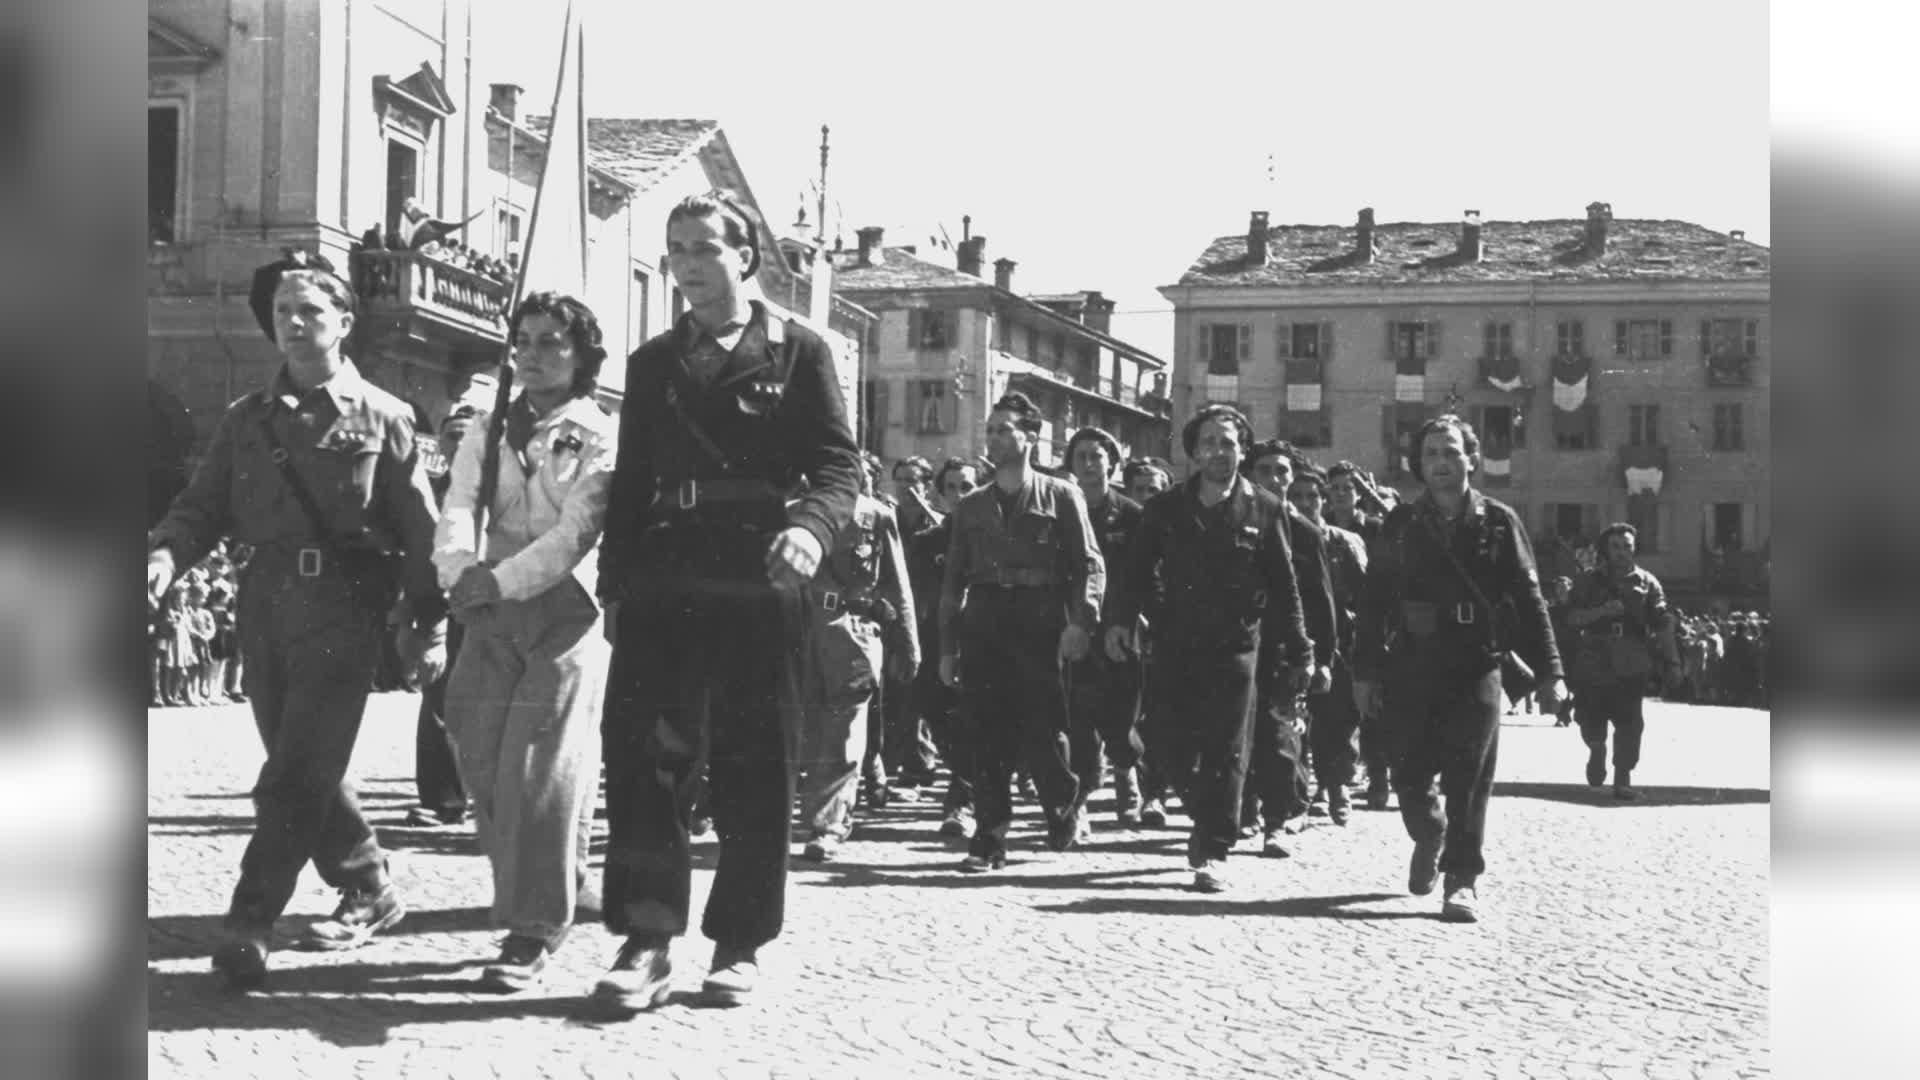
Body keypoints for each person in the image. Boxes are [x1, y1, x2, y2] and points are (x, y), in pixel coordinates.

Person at [147, 251, 448, 989]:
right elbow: (201, 508)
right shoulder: (246, 419)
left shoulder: (386, 415)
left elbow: (421, 531)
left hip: (346, 611)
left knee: (294, 773)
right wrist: (162, 556)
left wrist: (428, 620)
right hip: (264, 608)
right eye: (283, 310)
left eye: (310, 310)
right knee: (304, 764)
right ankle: (369, 883)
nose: (293, 322)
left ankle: (251, 922)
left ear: (344, 322)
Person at [593, 190, 861, 1011]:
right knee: (646, 759)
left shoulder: (800, 352)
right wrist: (616, 582)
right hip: (666, 578)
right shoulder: (650, 363)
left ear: (746, 257)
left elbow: (839, 468)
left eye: (705, 248)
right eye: (676, 250)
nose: (687, 266)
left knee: (755, 762)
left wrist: (812, 531)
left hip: (759, 575)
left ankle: (739, 943)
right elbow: (633, 482)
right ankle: (645, 940)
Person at [432, 292, 618, 992]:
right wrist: (457, 570)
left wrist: (499, 581)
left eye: (552, 342)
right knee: (477, 748)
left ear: (582, 356)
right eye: (526, 340)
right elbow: (457, 505)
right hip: (488, 605)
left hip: (566, 608)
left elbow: (576, 534)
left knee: (538, 764)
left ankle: (534, 926)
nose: (535, 354)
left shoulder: (599, 432)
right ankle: (567, 876)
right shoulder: (488, 425)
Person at [1352, 415, 1565, 924]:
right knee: (1408, 773)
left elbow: (1530, 600)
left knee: (1470, 777)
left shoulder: (1498, 521)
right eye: (1431, 455)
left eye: (1451, 452)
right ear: (1419, 465)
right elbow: (1375, 602)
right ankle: (1431, 834)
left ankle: (1462, 879)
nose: (1441, 463)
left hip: (1475, 664)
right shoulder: (1400, 525)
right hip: (1412, 665)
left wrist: (1551, 670)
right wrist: (1365, 672)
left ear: (1471, 458)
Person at [1109, 406, 1312, 891]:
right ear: (1194, 451)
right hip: (1176, 640)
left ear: (1242, 450)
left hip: (1238, 643)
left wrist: (1301, 649)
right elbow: (1134, 572)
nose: (1219, 452)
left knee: (1227, 746)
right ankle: (1210, 813)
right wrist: (1118, 621)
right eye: (1209, 443)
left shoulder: (1266, 508)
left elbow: (1286, 588)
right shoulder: (1166, 509)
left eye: (1229, 443)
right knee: (1165, 739)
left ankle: (1213, 846)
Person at [939, 391, 1103, 871]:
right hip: (986, 617)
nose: (993, 437)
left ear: (1031, 437)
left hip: (1041, 616)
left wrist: (1080, 622)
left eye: (1003, 429)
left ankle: (1062, 798)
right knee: (987, 730)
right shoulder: (971, 506)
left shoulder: (1061, 495)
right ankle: (989, 838)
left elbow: (1089, 565)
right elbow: (952, 583)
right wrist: (948, 649)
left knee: (1043, 728)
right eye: (989, 429)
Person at [795, 468, 917, 861]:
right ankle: (814, 813)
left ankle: (828, 825)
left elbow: (897, 585)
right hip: (802, 631)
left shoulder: (877, 515)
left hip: (854, 633)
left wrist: (908, 643)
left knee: (846, 732)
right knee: (810, 728)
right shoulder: (795, 513)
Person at [1240, 441, 1336, 845]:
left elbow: (1320, 599)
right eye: (1265, 471)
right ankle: (1244, 811)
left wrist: (1322, 657)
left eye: (1283, 472)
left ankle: (1276, 821)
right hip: (1240, 643)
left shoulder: (1305, 533)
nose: (1275, 480)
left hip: (1286, 648)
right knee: (1238, 732)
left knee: (1281, 736)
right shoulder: (1238, 520)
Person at [1061, 427, 1148, 832]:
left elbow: (1144, 575)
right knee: (1076, 715)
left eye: (1097, 456)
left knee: (1119, 717)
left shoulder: (1131, 515)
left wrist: (1131, 621)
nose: (1089, 464)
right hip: (1075, 628)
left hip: (1120, 630)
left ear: (1112, 463)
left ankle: (1126, 770)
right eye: (1081, 457)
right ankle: (1080, 798)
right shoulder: (1060, 509)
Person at [1563, 523, 1679, 801]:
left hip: (1631, 658)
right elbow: (1571, 618)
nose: (1622, 553)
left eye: (1627, 546)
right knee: (1589, 715)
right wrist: (1601, 611)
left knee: (1630, 721)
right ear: (1606, 549)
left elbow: (1662, 624)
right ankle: (1596, 748)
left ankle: (1622, 777)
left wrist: (1672, 661)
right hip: (1594, 657)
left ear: (1634, 548)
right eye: (1616, 547)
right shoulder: (1588, 581)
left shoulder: (1647, 582)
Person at [408, 405, 481, 830]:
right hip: (439, 605)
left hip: (486, 603)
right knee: (436, 699)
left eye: (466, 434)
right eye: (451, 435)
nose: (457, 443)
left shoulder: (491, 488)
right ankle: (443, 800)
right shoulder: (429, 489)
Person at [907, 456, 988, 838]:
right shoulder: (927, 543)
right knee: (936, 715)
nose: (959, 495)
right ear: (940, 494)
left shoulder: (993, 537)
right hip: (935, 643)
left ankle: (962, 802)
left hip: (982, 643)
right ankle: (965, 782)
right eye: (951, 487)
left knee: (974, 721)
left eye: (967, 486)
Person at [1287, 462, 1371, 825]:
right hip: (1296, 642)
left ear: (1324, 501)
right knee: (1300, 720)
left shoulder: (1344, 542)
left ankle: (1336, 788)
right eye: (1298, 497)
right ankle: (1311, 790)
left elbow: (1367, 596)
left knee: (1338, 719)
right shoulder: (1283, 538)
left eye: (1313, 497)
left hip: (1340, 642)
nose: (1306, 503)